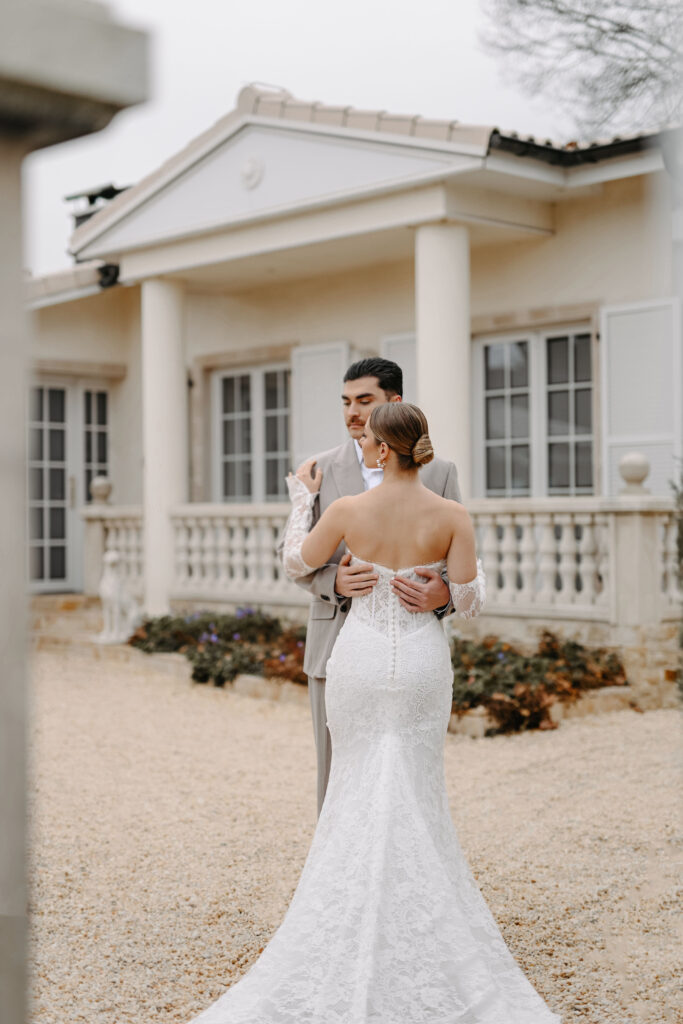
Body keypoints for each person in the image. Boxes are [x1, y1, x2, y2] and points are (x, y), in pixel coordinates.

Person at [188, 403, 561, 1024]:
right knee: (416, 787)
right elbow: (468, 600)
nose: (358, 443)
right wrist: (440, 588)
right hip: (420, 663)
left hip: (357, 662)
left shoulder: (345, 511)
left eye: (366, 438)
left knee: (355, 786)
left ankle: (350, 915)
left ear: (384, 450)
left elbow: (298, 561)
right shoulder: (453, 516)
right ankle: (420, 920)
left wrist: (300, 500)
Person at [280, 357, 462, 816]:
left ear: (393, 403)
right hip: (335, 641)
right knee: (335, 770)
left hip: (413, 645)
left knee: (408, 764)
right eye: (346, 402)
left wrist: (444, 596)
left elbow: (460, 564)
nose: (352, 413)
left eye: (364, 401)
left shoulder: (440, 472)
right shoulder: (318, 469)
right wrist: (332, 581)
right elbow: (291, 558)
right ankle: (338, 873)